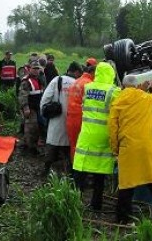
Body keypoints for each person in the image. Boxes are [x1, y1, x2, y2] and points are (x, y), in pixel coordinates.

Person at [108, 75, 152, 224]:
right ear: (137, 86)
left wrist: (115, 149)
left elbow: (112, 129)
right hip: (146, 148)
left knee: (126, 186)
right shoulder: (146, 98)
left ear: (123, 87)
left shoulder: (117, 102)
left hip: (128, 148)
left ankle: (122, 219)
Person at [72, 62, 121, 210]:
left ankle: (74, 200)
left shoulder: (88, 88)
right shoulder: (114, 91)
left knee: (80, 169)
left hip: (87, 133)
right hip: (103, 134)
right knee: (100, 172)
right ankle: (96, 204)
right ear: (111, 74)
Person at [40, 61, 83, 177]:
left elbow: (45, 100)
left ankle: (46, 171)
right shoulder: (78, 83)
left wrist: (45, 115)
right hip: (73, 121)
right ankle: (69, 174)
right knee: (69, 149)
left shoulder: (57, 80)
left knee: (52, 146)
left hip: (56, 120)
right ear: (77, 72)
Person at [66, 58, 98, 161]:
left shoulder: (76, 82)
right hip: (82, 118)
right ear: (92, 72)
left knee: (74, 145)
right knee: (83, 145)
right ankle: (82, 171)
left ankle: (73, 170)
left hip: (71, 118)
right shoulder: (89, 84)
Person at [18, 60, 46, 155]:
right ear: (30, 69)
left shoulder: (39, 79)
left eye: (37, 68)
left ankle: (30, 145)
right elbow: (22, 96)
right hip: (30, 108)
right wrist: (26, 108)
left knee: (39, 126)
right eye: (34, 68)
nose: (36, 70)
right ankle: (30, 148)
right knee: (31, 128)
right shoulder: (26, 81)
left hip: (38, 107)